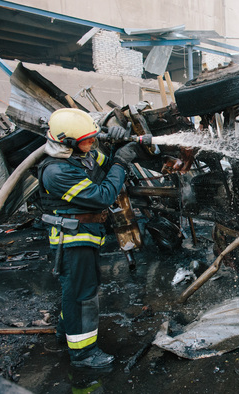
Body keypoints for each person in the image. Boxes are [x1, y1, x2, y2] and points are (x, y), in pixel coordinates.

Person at [38, 108, 143, 368]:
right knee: (81, 295)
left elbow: (105, 164)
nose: (92, 143)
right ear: (68, 142)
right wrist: (120, 162)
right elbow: (103, 195)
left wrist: (118, 142)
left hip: (86, 235)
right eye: (87, 139)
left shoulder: (82, 155)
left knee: (78, 290)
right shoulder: (57, 171)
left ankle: (66, 332)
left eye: (94, 137)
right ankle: (84, 354)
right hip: (72, 238)